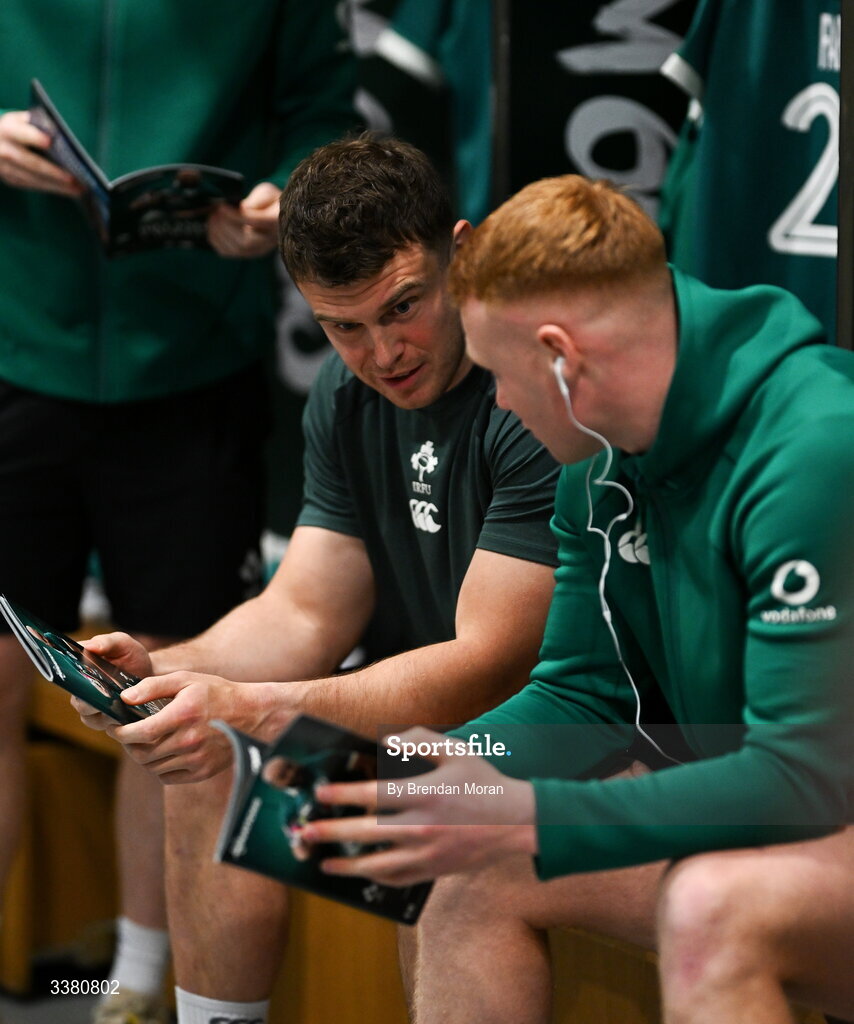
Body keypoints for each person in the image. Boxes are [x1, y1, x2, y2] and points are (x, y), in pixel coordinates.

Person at [293, 175, 854, 1024]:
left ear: (562, 357)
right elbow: (580, 694)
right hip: (786, 825)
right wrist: (406, 781)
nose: (502, 405)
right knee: (465, 870)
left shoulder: (813, 446)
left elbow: (800, 779)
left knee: (713, 905)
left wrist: (527, 814)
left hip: (816, 815)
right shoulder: (594, 454)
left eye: (499, 377)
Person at [73, 135, 560, 1024]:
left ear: (464, 250)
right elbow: (304, 609)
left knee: (423, 793)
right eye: (344, 326)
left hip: (568, 741)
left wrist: (255, 704)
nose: (383, 353)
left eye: (404, 306)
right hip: (426, 729)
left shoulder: (529, 387)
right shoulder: (343, 395)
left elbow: (492, 665)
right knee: (208, 749)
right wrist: (164, 672)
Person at [0, 5, 356, 1022]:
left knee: (156, 681)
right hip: (14, 341)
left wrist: (275, 200)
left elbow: (320, 115)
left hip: (192, 357)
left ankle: (130, 983)